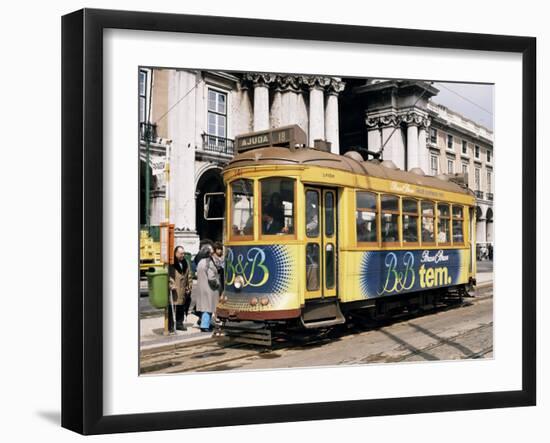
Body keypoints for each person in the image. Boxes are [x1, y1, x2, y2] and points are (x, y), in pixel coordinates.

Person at [193, 244, 220, 332]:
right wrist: (217, 284)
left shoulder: (200, 262)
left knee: (204, 306)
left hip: (201, 288)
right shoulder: (209, 262)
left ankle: (204, 323)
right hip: (209, 289)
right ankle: (204, 325)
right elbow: (211, 277)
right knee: (208, 308)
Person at [168, 246, 193, 332]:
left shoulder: (186, 262)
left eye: (183, 253)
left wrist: (189, 286)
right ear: (176, 253)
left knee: (181, 307)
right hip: (175, 289)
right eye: (181, 253)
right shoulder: (171, 263)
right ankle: (170, 326)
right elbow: (169, 276)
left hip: (183, 289)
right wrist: (171, 285)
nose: (183, 255)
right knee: (172, 307)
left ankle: (179, 324)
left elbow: (189, 275)